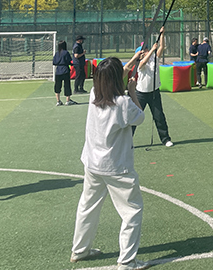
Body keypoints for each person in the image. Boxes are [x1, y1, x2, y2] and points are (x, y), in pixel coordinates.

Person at [70, 56, 150, 270]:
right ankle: (127, 261)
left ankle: (80, 250)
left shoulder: (94, 94)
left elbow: (112, 76)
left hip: (92, 163)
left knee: (87, 207)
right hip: (116, 168)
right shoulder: (123, 103)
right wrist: (133, 91)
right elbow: (140, 117)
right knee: (132, 211)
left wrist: (133, 61)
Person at [132, 28, 173, 147]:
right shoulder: (139, 63)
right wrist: (151, 51)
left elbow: (162, 47)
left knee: (159, 116)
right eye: (144, 50)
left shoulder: (154, 58)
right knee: (134, 117)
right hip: (141, 94)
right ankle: (127, 140)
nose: (146, 50)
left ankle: (165, 139)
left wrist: (162, 35)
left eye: (146, 49)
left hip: (154, 93)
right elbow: (143, 63)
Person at [53, 40, 77, 106]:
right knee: (67, 85)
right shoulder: (66, 53)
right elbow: (70, 61)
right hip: (65, 70)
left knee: (57, 86)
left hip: (58, 71)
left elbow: (54, 62)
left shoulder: (57, 53)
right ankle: (68, 100)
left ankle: (58, 101)